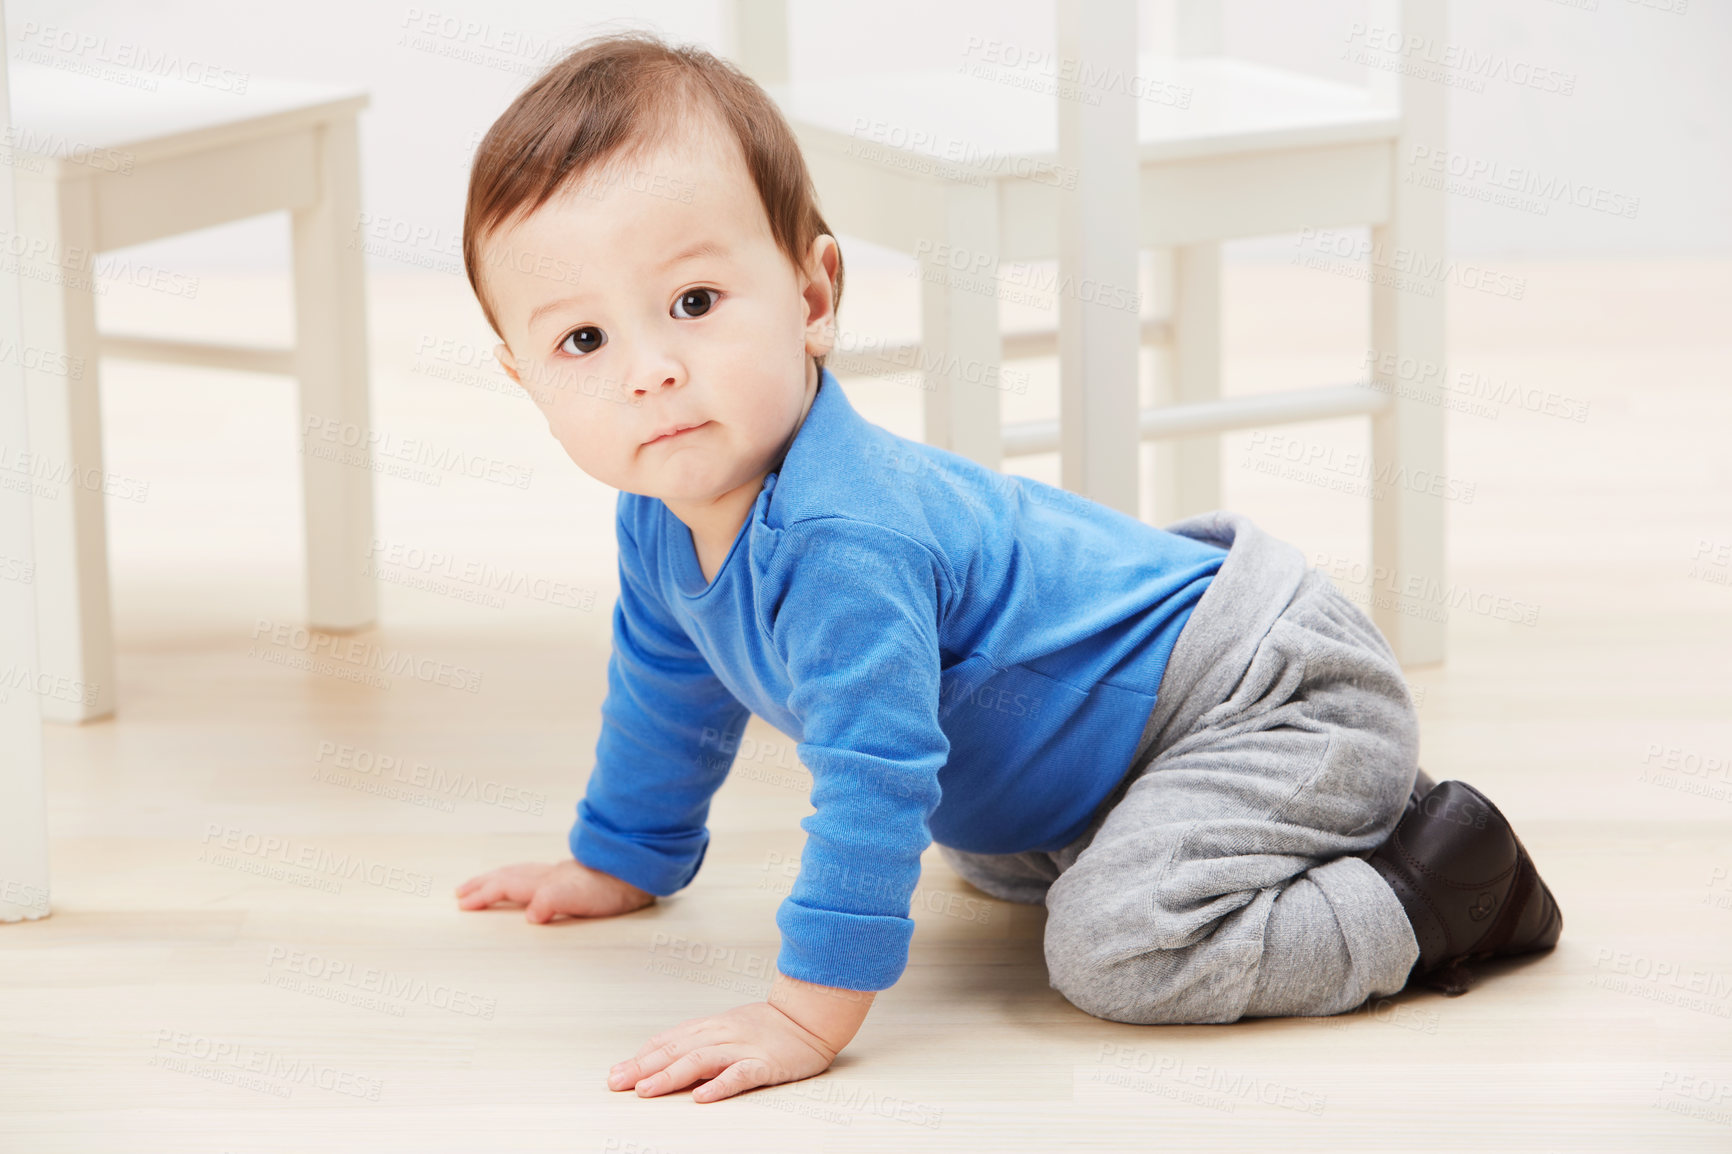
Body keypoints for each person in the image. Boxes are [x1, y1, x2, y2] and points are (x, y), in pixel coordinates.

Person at [450, 30, 1562, 1105]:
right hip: (1116, 750)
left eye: (695, 303)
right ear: (522, 374)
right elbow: (667, 690)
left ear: (813, 298)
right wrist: (624, 856)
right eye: (583, 341)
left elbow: (873, 773)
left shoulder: (844, 537)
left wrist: (805, 1012)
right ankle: (1315, 819)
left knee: (1114, 948)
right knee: (988, 853)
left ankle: (1436, 887)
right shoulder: (660, 513)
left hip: (1260, 692)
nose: (650, 369)